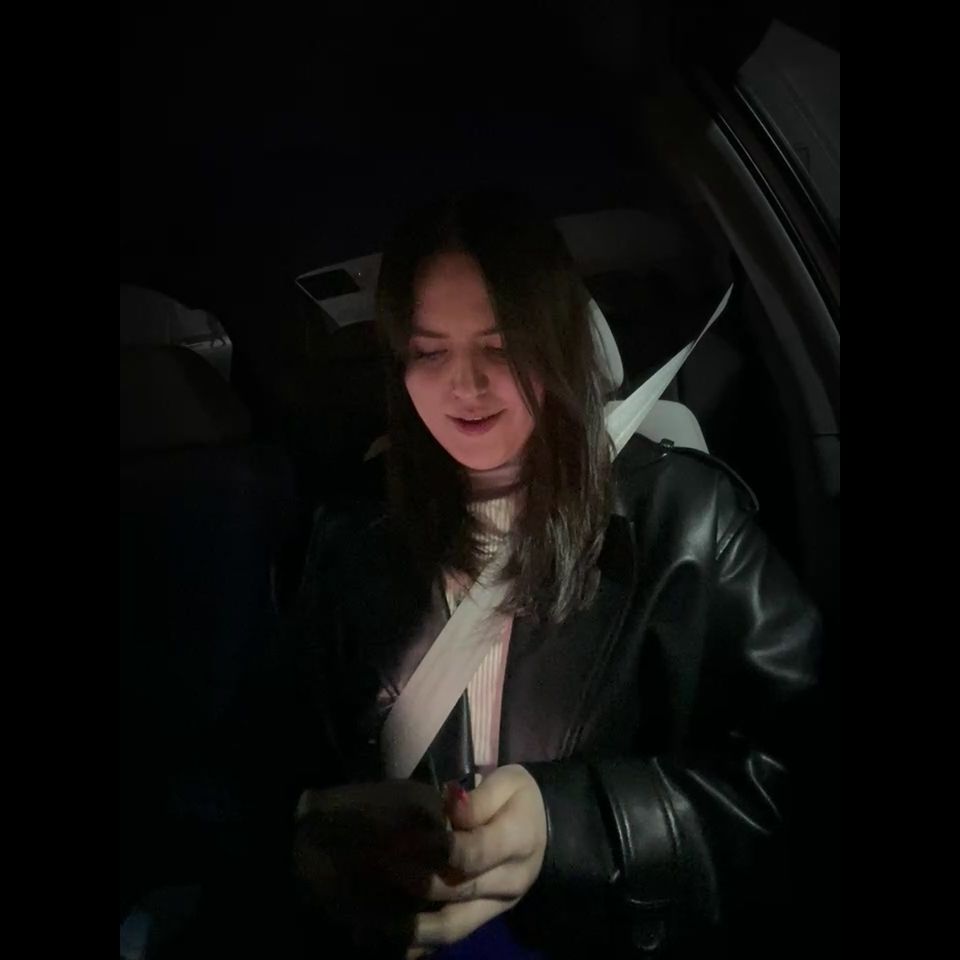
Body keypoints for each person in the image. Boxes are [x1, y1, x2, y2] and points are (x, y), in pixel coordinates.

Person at [272, 188, 822, 959]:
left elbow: (800, 779)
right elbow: (276, 760)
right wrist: (308, 844)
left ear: (559, 342)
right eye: (430, 352)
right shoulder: (352, 535)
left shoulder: (684, 522)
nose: (465, 386)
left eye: (500, 348)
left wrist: (576, 823)